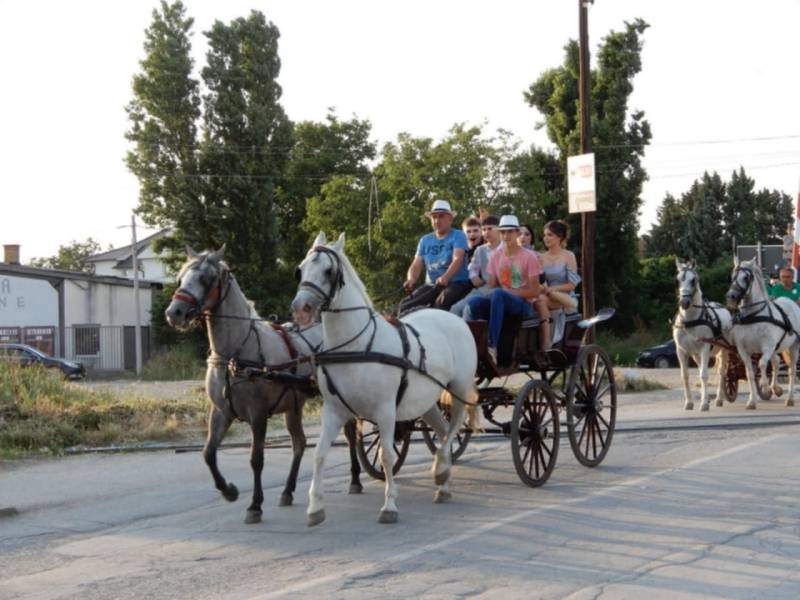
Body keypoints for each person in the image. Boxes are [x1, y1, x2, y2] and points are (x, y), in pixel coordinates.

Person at [464, 215, 541, 365]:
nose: (506, 236)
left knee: (499, 294)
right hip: (502, 300)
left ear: (517, 233)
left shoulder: (529, 257)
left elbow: (534, 292)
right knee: (473, 302)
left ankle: (492, 346)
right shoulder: (495, 256)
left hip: (523, 303)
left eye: (510, 232)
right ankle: (473, 346)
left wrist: (508, 292)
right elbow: (492, 286)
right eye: (503, 232)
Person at [399, 199, 472, 313]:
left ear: (450, 219)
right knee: (405, 305)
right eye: (434, 217)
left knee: (441, 303)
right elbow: (417, 263)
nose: (437, 220)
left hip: (456, 283)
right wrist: (411, 279)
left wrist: (446, 277)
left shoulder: (458, 235)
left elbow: (458, 259)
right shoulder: (425, 240)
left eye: (441, 216)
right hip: (432, 284)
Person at [534, 220, 581, 350]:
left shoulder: (568, 256)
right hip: (546, 295)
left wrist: (554, 288)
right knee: (539, 299)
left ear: (559, 237)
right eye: (544, 235)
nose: (546, 238)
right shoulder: (541, 258)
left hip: (565, 298)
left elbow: (572, 285)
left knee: (541, 300)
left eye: (550, 235)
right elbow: (540, 281)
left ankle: (547, 342)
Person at [449, 215, 501, 317]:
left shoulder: (506, 249)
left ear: (499, 230)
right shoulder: (480, 250)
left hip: (500, 289)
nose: (486, 232)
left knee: (468, 309)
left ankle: (467, 332)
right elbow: (473, 267)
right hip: (482, 288)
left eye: (490, 229)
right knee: (455, 309)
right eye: (484, 229)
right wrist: (473, 276)